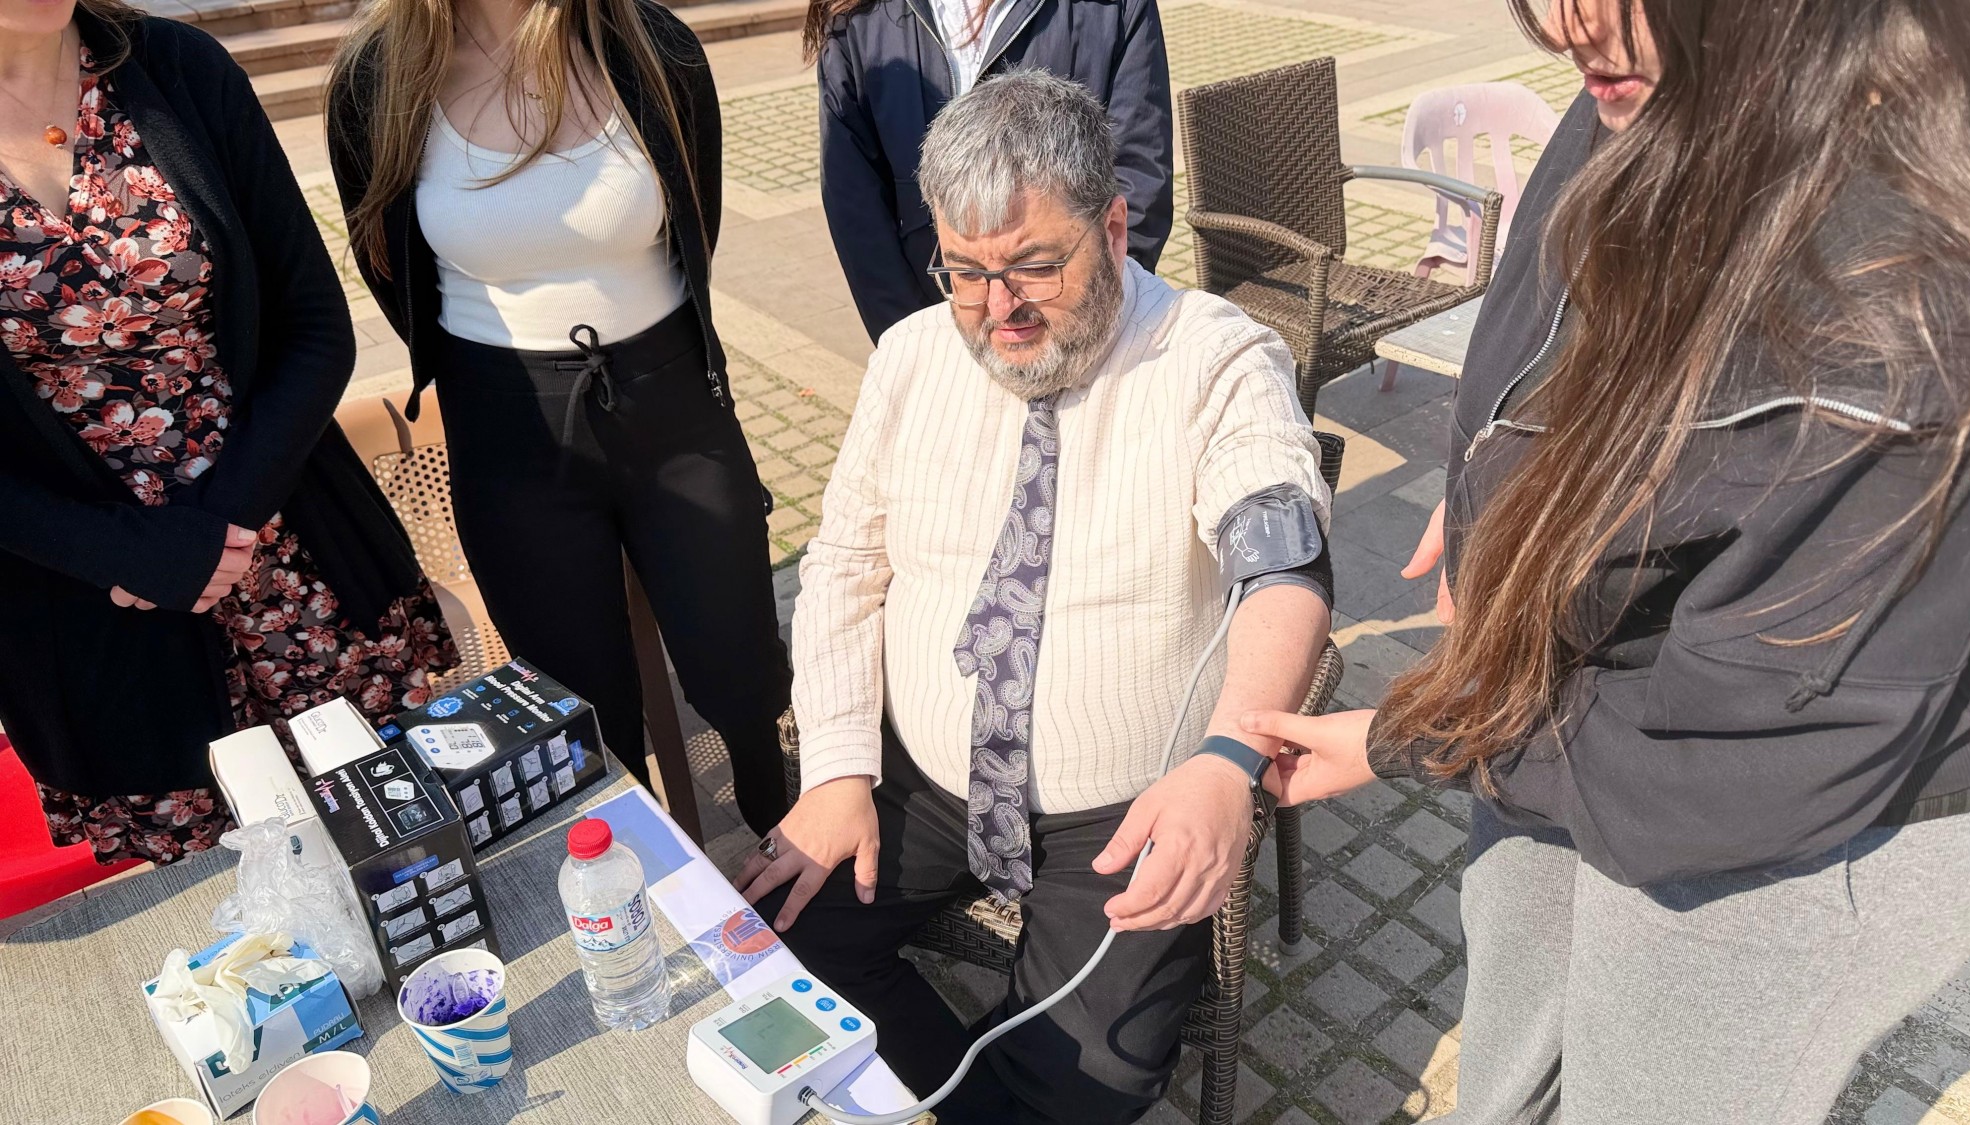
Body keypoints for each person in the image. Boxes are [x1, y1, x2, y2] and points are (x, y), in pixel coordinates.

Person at [1241, 1, 1970, 1122]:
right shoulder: (1674, 74)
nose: (1563, 28)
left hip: (1767, 813)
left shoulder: (1914, 316)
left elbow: (1719, 756)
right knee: (1512, 1032)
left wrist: (1415, 735)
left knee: (1644, 1085)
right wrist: (1507, 496)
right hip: (1578, 694)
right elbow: (1561, 314)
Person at [733, 71, 1333, 1124]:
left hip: (1124, 804)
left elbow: (1283, 566)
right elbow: (844, 564)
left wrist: (1229, 758)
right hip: (923, 778)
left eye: (1034, 267)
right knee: (767, 944)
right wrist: (833, 768)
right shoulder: (912, 356)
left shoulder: (1216, 356)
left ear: (1114, 227)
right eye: (964, 272)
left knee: (1088, 1081)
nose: (997, 310)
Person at [0, 0, 455, 866]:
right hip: (99, 607)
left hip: (293, 554)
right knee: (245, 914)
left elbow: (316, 325)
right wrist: (123, 552)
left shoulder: (176, 67)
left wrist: (222, 525)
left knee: (402, 857)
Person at [324, 0, 795, 834]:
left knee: (740, 663)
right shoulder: (377, 77)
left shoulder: (652, 44)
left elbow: (698, 217)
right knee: (581, 708)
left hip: (673, 403)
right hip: (507, 429)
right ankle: (638, 868)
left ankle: (783, 832)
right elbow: (388, 265)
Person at [806, 0, 1172, 342]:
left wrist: (1091, 327)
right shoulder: (858, 18)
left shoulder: (1111, 8)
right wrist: (916, 339)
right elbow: (857, 212)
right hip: (932, 322)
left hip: (1075, 330)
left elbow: (1137, 176)